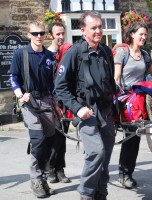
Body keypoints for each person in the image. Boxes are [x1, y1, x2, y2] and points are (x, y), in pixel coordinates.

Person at [54, 11, 116, 200]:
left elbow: (110, 81)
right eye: (93, 28)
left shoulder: (105, 51)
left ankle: (100, 193)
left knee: (104, 157)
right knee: (96, 153)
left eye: (100, 26)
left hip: (105, 111)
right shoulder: (74, 52)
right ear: (83, 30)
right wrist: (78, 109)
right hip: (86, 112)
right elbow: (60, 88)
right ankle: (86, 194)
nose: (98, 31)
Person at [10, 20, 56, 198]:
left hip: (47, 101)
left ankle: (43, 176)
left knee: (49, 141)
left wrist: (56, 101)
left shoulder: (49, 56)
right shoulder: (20, 54)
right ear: (28, 35)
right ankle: (36, 179)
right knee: (37, 139)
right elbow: (13, 78)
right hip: (29, 101)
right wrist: (21, 95)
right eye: (35, 33)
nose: (39, 37)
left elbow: (54, 82)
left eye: (42, 33)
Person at [114, 22, 152, 189]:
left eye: (145, 35)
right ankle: (123, 173)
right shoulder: (122, 53)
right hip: (125, 100)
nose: (144, 37)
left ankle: (127, 173)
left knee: (135, 137)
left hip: (139, 100)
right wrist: (120, 97)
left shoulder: (145, 55)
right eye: (140, 34)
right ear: (132, 34)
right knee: (130, 136)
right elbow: (116, 78)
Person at [46, 22, 71, 184]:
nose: (61, 37)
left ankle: (60, 169)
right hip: (49, 101)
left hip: (65, 100)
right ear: (51, 36)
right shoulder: (46, 54)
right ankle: (50, 168)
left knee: (62, 136)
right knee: (53, 136)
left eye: (63, 33)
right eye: (57, 34)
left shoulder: (68, 53)